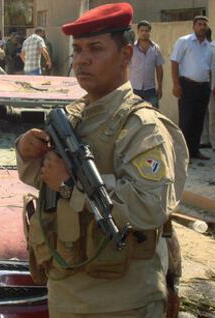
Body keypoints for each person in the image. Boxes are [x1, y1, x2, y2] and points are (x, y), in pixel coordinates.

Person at [16, 3, 188, 318]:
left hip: (122, 302)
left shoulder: (142, 127)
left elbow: (151, 204)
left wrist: (71, 185)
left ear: (126, 56)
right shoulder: (74, 116)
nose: (82, 58)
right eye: (78, 49)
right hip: (67, 293)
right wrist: (27, 151)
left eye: (95, 48)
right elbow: (43, 180)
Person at [170, 15, 212, 160]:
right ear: (193, 26)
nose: (202, 27)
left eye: (204, 25)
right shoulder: (184, 41)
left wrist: (211, 87)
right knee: (186, 121)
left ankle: (194, 151)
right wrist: (176, 84)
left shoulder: (209, 46)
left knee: (198, 120)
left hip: (203, 87)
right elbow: (174, 62)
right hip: (187, 86)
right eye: (199, 24)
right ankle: (182, 155)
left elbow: (210, 68)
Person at [129, 20, 164, 108]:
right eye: (142, 30)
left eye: (147, 31)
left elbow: (159, 68)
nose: (144, 33)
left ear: (150, 32)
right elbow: (125, 66)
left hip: (150, 90)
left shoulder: (155, 48)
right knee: (133, 116)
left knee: (153, 115)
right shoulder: (131, 48)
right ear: (138, 32)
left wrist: (160, 87)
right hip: (134, 90)